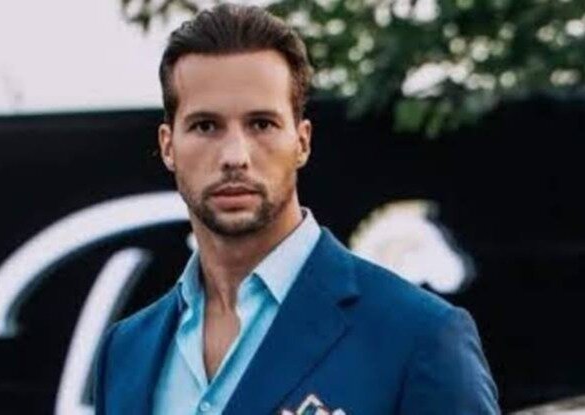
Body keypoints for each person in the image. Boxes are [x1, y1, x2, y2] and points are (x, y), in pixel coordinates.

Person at [94, 3, 499, 414]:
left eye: (261, 124)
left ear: (302, 142)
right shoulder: (126, 350)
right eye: (205, 126)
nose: (235, 156)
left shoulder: (418, 336)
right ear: (168, 146)